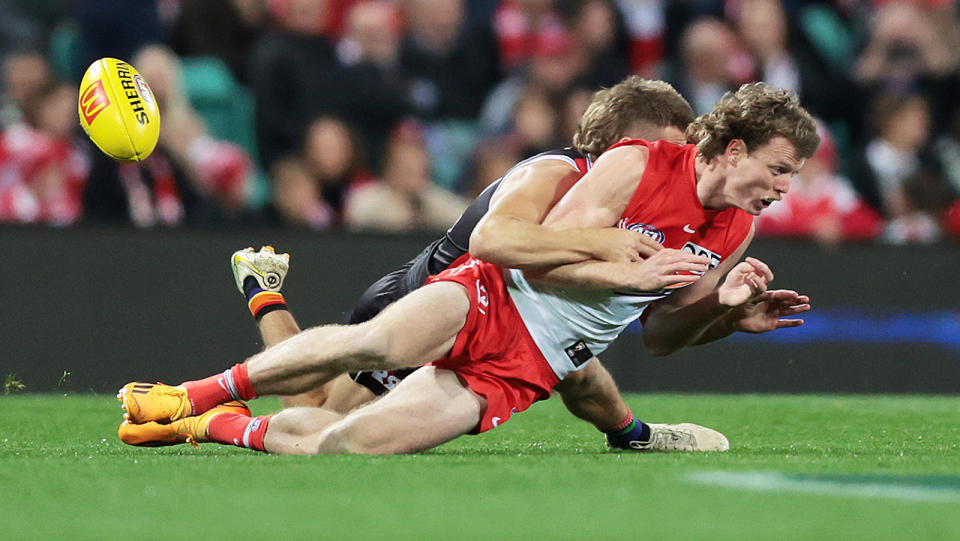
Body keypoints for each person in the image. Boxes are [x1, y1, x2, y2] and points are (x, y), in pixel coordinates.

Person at [118, 82, 817, 456]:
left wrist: (724, 312)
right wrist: (616, 262)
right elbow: (516, 251)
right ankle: (191, 393)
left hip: (531, 361)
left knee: (347, 443)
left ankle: (214, 425)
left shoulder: (737, 224)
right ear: (730, 148)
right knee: (361, 355)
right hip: (477, 290)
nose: (785, 187)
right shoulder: (614, 167)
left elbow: (662, 333)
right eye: (779, 169)